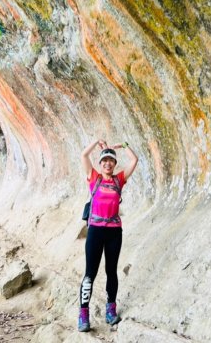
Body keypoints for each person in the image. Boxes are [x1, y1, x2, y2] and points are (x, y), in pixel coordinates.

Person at [78, 139, 138, 332]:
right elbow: (84, 156)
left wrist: (123, 145)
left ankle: (110, 309)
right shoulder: (93, 177)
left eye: (111, 160)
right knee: (90, 273)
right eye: (105, 160)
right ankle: (83, 314)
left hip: (113, 232)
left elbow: (134, 160)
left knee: (111, 271)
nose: (108, 163)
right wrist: (96, 142)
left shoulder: (118, 180)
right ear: (100, 163)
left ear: (114, 163)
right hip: (95, 230)